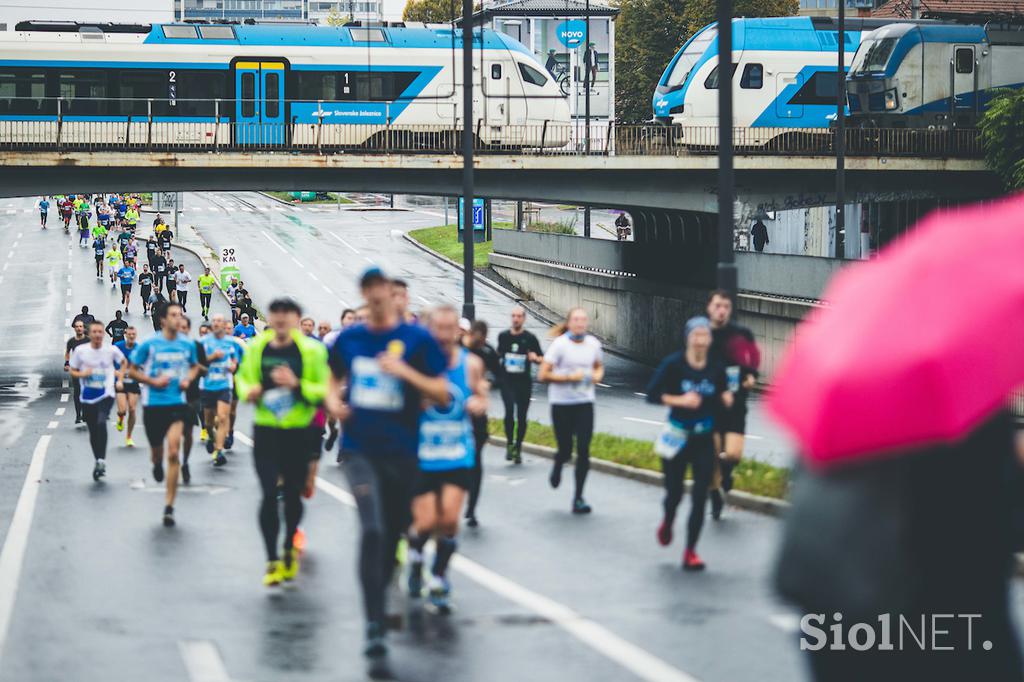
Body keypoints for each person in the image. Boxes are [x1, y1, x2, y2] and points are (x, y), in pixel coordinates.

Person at [324, 267, 448, 677]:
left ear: (395, 298)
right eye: (372, 292)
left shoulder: (417, 340)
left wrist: (405, 373)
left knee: (394, 532)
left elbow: (442, 392)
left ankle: (385, 586)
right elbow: (332, 378)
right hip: (360, 449)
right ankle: (374, 621)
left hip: (403, 453)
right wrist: (333, 402)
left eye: (387, 292)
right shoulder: (351, 338)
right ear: (364, 294)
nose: (379, 298)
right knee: (373, 530)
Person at [235, 298, 329, 588]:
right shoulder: (257, 348)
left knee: (292, 494)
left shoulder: (312, 351)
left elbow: (323, 390)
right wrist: (249, 390)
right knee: (267, 493)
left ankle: (289, 545)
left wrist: (296, 384)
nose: (280, 319)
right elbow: (241, 380)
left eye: (286, 315)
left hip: (299, 431)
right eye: (275, 314)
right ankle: (271, 559)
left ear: (297, 319)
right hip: (267, 430)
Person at [408, 304, 489, 612]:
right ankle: (416, 556)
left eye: (449, 329)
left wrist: (481, 402)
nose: (443, 335)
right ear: (430, 331)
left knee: (449, 522)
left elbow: (481, 393)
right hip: (423, 454)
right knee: (426, 522)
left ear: (459, 331)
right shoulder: (417, 364)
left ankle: (439, 578)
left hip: (457, 452)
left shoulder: (471, 364)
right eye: (437, 329)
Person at [646, 317, 733, 571]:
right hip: (677, 436)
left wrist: (725, 398)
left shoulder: (716, 368)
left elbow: (722, 393)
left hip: (703, 439)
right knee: (674, 494)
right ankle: (668, 519)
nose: (700, 340)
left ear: (709, 339)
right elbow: (652, 394)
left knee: (700, 497)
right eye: (696, 335)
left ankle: (690, 551)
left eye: (704, 335)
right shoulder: (673, 365)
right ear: (688, 338)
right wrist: (680, 401)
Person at [129, 302, 201, 527]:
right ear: (163, 320)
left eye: (180, 315)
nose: (178, 319)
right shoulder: (149, 344)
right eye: (173, 315)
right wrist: (152, 381)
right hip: (153, 405)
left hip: (177, 404)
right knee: (158, 454)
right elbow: (132, 370)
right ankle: (156, 463)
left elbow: (195, 366)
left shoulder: (187, 344)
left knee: (173, 452)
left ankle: (169, 505)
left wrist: (188, 378)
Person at [539, 307, 604, 515]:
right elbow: (543, 374)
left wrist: (596, 376)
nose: (580, 324)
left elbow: (598, 366)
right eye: (576, 320)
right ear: (569, 323)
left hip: (585, 403)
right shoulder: (560, 345)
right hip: (561, 404)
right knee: (566, 449)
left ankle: (578, 497)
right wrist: (568, 378)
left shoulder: (593, 344)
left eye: (583, 320)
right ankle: (559, 463)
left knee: (584, 450)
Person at [706, 289, 759, 520]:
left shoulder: (741, 333)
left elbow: (752, 360)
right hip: (710, 403)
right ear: (709, 308)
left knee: (734, 455)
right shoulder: (702, 334)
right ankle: (715, 495)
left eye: (725, 306)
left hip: (736, 402)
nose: (721, 311)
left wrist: (750, 377)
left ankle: (726, 474)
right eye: (717, 306)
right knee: (712, 453)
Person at [68, 321, 127, 481]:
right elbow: (72, 370)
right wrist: (82, 375)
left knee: (102, 422)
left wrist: (120, 378)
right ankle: (98, 460)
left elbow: (123, 362)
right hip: (87, 396)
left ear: (103, 333)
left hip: (105, 394)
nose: (98, 335)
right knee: (93, 429)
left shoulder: (111, 350)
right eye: (94, 332)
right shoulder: (81, 351)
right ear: (90, 334)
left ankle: (102, 460)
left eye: (100, 332)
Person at [461, 319, 501, 528]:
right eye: (476, 337)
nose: (480, 341)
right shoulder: (458, 350)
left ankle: (472, 508)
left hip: (477, 417)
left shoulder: (487, 352)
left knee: (475, 462)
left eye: (483, 338)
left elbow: (499, 374)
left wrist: (489, 384)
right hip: (457, 415)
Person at [497, 306, 542, 464]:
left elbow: (542, 358)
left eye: (519, 316)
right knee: (509, 412)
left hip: (523, 382)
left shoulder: (530, 338)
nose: (516, 319)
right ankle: (509, 443)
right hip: (507, 381)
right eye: (513, 316)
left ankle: (518, 447)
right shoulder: (503, 336)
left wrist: (535, 358)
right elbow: (499, 355)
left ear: (523, 319)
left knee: (521, 417)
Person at [200, 314, 241, 468]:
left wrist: (233, 366)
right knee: (209, 423)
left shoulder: (231, 342)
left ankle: (219, 450)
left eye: (219, 321)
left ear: (224, 325)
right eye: (214, 321)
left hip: (225, 385)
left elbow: (235, 359)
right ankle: (211, 437)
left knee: (223, 417)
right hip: (208, 385)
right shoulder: (204, 342)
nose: (217, 323)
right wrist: (213, 357)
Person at [177, 315, 209, 484]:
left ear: (188, 329)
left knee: (187, 432)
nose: (181, 330)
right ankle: (175, 458)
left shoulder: (197, 347)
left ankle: (185, 462)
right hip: (171, 395)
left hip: (192, 394)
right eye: (178, 327)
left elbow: (205, 370)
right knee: (174, 432)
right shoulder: (167, 347)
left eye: (184, 327)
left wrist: (195, 367)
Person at [113, 326, 140, 446]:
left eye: (133, 334)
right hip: (120, 382)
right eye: (129, 334)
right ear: (125, 334)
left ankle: (129, 436)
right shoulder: (118, 347)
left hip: (133, 382)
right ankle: (120, 418)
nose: (131, 336)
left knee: (133, 409)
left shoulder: (139, 349)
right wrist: (117, 373)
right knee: (122, 410)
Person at [64, 320, 90, 424]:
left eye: (81, 326)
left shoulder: (88, 340)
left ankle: (86, 414)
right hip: (76, 370)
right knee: (77, 392)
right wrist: (66, 363)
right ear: (74, 328)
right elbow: (67, 353)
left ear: (83, 328)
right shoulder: (71, 341)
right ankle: (78, 415)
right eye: (77, 326)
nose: (79, 328)